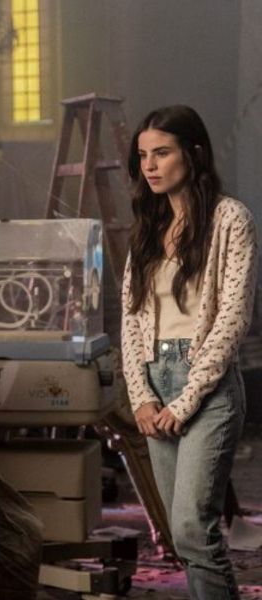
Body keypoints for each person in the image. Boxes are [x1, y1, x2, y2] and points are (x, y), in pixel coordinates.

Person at [122, 105, 257, 600]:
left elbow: (233, 320)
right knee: (183, 537)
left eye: (161, 153)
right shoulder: (149, 225)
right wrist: (141, 395)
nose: (149, 166)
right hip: (156, 379)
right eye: (143, 156)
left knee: (192, 528)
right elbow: (131, 318)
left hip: (209, 386)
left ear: (194, 153)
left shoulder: (230, 219)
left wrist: (186, 400)